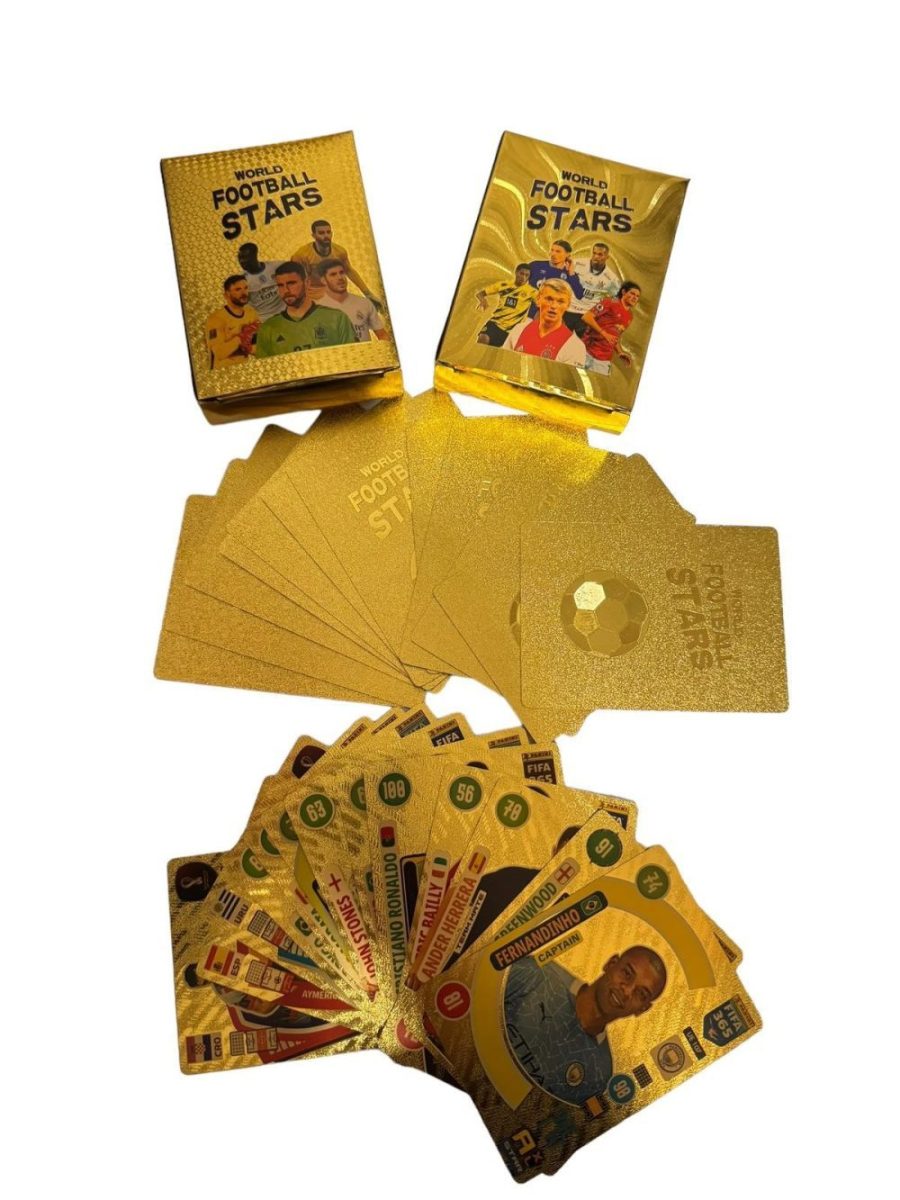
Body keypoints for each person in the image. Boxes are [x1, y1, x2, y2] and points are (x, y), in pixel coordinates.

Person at [503, 944, 668, 1105]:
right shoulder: (536, 974)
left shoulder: (599, 1074)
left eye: (641, 994)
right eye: (627, 973)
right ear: (611, 964)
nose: (627, 991)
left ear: (642, 1009)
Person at [255, 262, 356, 357]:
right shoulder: (268, 328)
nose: (286, 290)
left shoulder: (337, 318)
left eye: (291, 283)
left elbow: (352, 358)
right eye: (280, 285)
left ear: (307, 282)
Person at [290, 219, 379, 306]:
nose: (326, 236)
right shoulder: (302, 255)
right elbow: (296, 281)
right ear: (314, 235)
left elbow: (349, 271)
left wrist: (368, 294)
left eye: (328, 232)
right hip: (313, 296)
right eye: (321, 233)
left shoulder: (339, 252)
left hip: (335, 293)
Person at [502, 279, 587, 366]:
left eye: (560, 302)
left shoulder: (575, 346)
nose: (553, 306)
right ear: (538, 300)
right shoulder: (519, 330)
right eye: (549, 299)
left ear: (568, 305)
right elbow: (503, 363)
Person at [315, 258, 388, 342]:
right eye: (333, 274)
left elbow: (383, 335)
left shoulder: (364, 303)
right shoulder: (317, 308)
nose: (340, 277)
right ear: (323, 280)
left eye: (342, 273)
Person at [581, 281, 641, 375]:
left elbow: (615, 337)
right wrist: (604, 334)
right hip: (587, 351)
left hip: (604, 360)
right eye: (632, 293)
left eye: (637, 296)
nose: (635, 297)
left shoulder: (629, 316)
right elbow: (587, 317)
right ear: (623, 292)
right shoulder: (609, 302)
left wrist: (620, 352)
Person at [475, 264, 538, 346]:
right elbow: (480, 294)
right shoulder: (504, 285)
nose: (523, 277)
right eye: (521, 273)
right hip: (495, 323)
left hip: (511, 330)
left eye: (526, 275)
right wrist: (483, 301)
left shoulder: (532, 292)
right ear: (516, 272)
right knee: (483, 338)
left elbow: (543, 306)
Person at [205, 275, 260, 367]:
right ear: (227, 294)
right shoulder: (215, 319)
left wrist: (249, 348)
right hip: (223, 371)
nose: (244, 293)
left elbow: (259, 346)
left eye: (246, 288)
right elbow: (218, 353)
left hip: (244, 368)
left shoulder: (251, 313)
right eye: (238, 289)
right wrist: (240, 338)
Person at [566, 243, 622, 335]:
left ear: (607, 257)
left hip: (587, 316)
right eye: (594, 253)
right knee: (560, 340)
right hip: (568, 310)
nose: (596, 257)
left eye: (600, 254)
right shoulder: (576, 264)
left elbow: (617, 301)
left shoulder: (612, 279)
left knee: (583, 343)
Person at [525, 240, 584, 314]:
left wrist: (571, 272)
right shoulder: (535, 265)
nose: (553, 254)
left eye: (558, 251)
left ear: (567, 255)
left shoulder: (570, 275)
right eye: (552, 250)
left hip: (550, 314)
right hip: (528, 313)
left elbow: (579, 295)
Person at [235, 242, 284, 320]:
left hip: (286, 312)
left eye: (244, 258)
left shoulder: (277, 267)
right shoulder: (241, 281)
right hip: (264, 319)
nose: (241, 261)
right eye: (239, 258)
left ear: (254, 256)